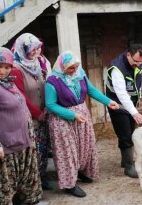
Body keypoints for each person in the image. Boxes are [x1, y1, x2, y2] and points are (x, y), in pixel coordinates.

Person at [0, 47, 43, 204]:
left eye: (7, 67)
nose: (3, 71)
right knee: (3, 184)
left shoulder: (6, 82)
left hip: (18, 140)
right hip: (1, 146)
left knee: (23, 179)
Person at [45, 51, 119, 197]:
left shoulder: (80, 74)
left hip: (81, 116)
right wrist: (72, 115)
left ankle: (80, 171)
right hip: (63, 120)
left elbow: (91, 90)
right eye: (71, 68)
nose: (74, 71)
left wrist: (108, 102)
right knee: (68, 152)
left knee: (84, 147)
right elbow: (50, 105)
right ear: (62, 66)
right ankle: (69, 184)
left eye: (76, 67)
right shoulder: (52, 81)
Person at [10, 33, 51, 190]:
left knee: (42, 151)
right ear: (22, 50)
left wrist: (46, 107)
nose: (36, 52)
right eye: (32, 49)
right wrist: (37, 114)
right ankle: (32, 185)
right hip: (29, 119)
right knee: (32, 154)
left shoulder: (37, 65)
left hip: (42, 116)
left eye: (38, 48)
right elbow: (21, 96)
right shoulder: (16, 69)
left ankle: (41, 177)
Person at [105, 44, 142, 178]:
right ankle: (129, 166)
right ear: (128, 55)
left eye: (141, 62)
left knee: (130, 131)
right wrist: (134, 112)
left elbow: (137, 82)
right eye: (136, 61)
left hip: (130, 105)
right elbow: (122, 94)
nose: (138, 64)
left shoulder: (137, 65)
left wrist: (138, 97)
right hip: (117, 105)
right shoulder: (117, 69)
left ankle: (125, 160)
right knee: (125, 134)